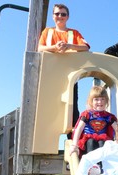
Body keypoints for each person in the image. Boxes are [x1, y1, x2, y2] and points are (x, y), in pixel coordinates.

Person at [38, 3, 90, 136]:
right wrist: (55, 47)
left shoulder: (74, 33)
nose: (60, 16)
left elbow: (85, 47)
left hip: (70, 76)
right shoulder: (47, 32)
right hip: (50, 75)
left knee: (72, 107)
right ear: (52, 16)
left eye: (63, 14)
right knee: (49, 105)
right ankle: (47, 140)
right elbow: (40, 48)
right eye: (57, 13)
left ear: (67, 17)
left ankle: (73, 140)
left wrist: (69, 45)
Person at [69, 86, 117, 161]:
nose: (99, 102)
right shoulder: (87, 114)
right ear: (91, 101)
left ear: (106, 101)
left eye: (102, 99)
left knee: (103, 143)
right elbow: (79, 128)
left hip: (102, 139)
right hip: (88, 139)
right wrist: (74, 145)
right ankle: (91, 164)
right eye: (96, 99)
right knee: (90, 142)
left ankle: (101, 164)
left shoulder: (108, 117)